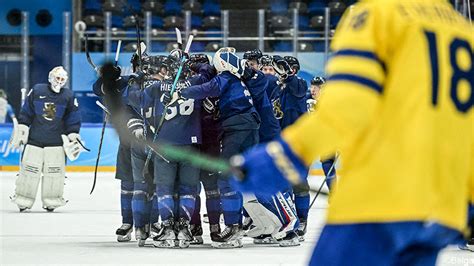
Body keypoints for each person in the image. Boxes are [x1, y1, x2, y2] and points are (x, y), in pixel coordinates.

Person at [231, 1, 473, 265]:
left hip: (377, 201)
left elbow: (347, 107)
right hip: (443, 211)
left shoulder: (376, 15)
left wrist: (282, 157)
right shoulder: (463, 30)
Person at [179, 48, 261, 248]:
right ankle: (241, 224)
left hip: (236, 128)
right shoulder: (238, 79)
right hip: (251, 127)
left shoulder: (225, 78)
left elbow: (204, 89)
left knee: (225, 177)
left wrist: (182, 90)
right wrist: (195, 65)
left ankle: (233, 225)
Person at [10, 66, 83, 212]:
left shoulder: (68, 96)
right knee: (28, 172)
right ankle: (23, 200)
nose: (59, 81)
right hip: (34, 140)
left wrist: (73, 134)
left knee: (55, 175)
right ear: (51, 77)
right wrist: (23, 128)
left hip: (56, 143)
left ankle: (52, 201)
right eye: (57, 78)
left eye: (63, 79)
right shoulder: (37, 90)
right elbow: (27, 111)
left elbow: (72, 117)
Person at [92, 55, 139, 242]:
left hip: (147, 140)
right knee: (127, 183)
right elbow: (98, 89)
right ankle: (127, 222)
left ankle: (151, 222)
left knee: (150, 184)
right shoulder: (124, 81)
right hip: (127, 140)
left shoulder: (146, 80)